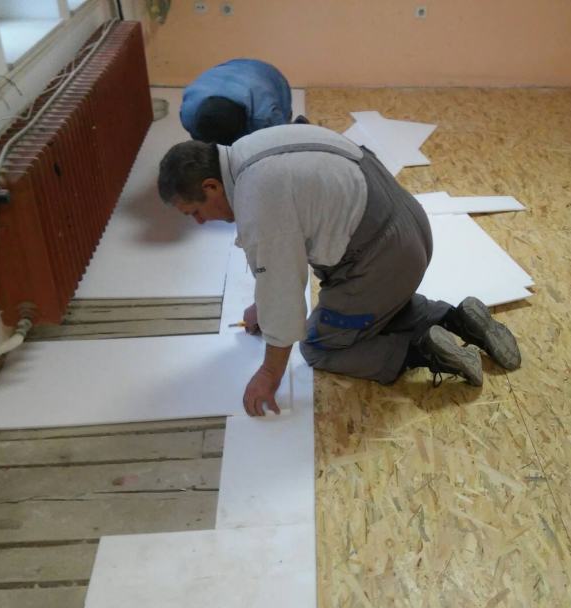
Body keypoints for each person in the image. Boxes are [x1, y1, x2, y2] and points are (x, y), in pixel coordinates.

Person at [157, 124, 520, 416]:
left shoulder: (256, 200)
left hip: (382, 258)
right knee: (371, 309)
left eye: (195, 212)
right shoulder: (251, 147)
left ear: (210, 186)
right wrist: (260, 307)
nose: (200, 222)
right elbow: (278, 261)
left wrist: (269, 373)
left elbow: (283, 294)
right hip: (409, 225)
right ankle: (457, 319)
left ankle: (423, 349)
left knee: (319, 346)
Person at [179, 59, 301, 146]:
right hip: (225, 74)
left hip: (268, 76)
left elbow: (281, 144)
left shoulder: (265, 117)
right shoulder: (189, 115)